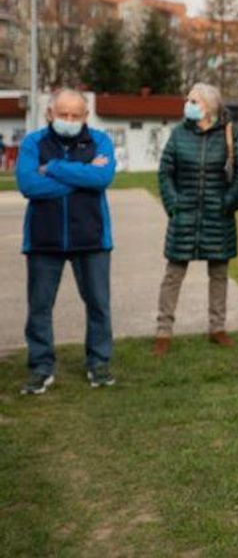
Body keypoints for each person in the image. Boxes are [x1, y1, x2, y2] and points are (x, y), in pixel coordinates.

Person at [16, 89, 117, 394]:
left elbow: (102, 179)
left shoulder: (100, 141)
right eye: (63, 114)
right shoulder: (34, 142)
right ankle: (41, 367)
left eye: (76, 115)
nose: (69, 120)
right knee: (40, 307)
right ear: (50, 113)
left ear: (86, 116)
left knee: (99, 304)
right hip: (43, 240)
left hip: (92, 238)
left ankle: (98, 364)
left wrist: (54, 169)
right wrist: (82, 177)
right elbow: (29, 184)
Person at [153, 83, 238, 356]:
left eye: (194, 100)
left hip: (217, 217)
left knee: (219, 274)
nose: (188, 103)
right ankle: (163, 330)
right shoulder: (178, 134)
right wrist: (173, 205)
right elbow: (165, 172)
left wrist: (226, 203)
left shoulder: (230, 134)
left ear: (209, 106)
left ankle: (217, 328)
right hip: (183, 216)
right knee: (173, 275)